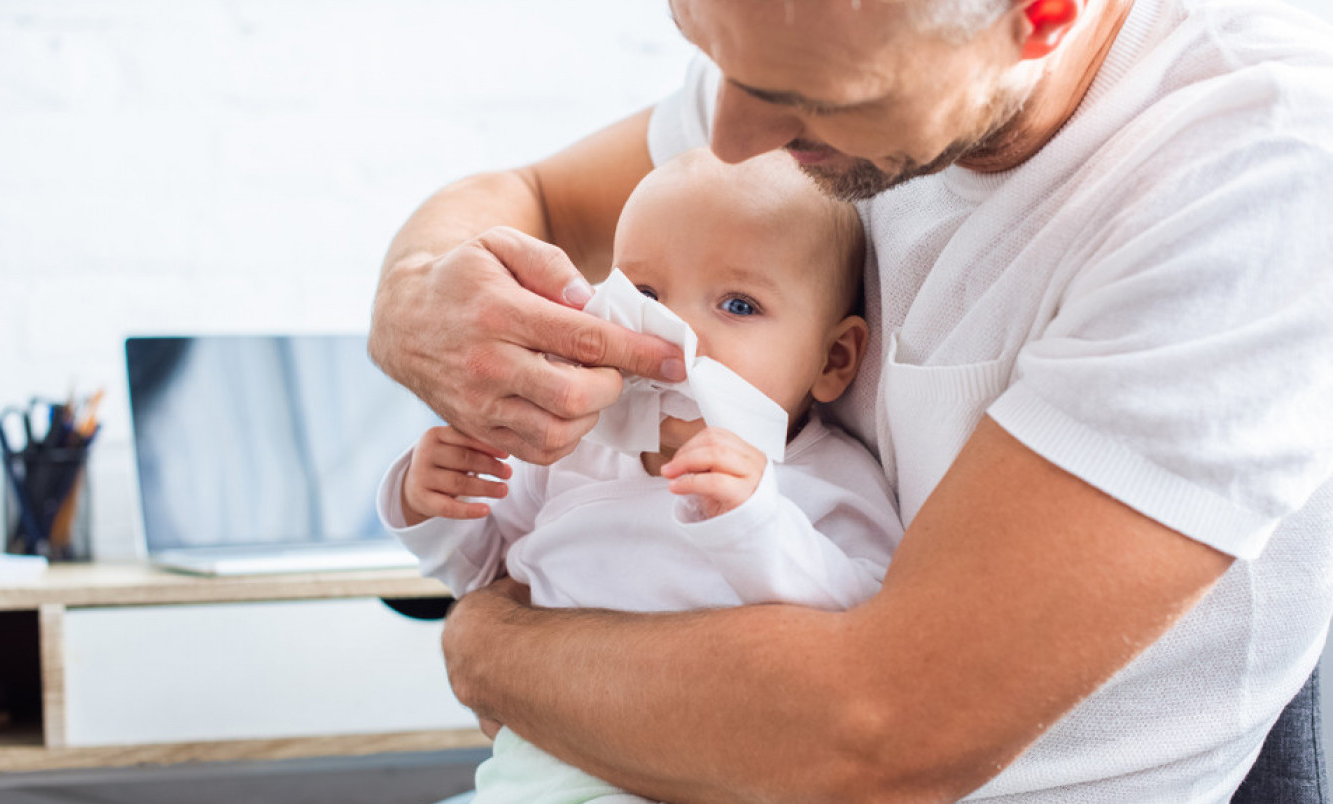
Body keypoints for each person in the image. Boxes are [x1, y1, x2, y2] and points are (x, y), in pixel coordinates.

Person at [367, 0, 1333, 800]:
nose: (736, 138)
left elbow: (872, 740)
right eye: (704, 47)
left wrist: (489, 648)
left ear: (1041, 17)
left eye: (810, 101)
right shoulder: (803, 34)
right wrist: (415, 296)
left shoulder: (1255, 175)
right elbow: (530, 193)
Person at [378, 148, 903, 803]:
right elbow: (483, 579)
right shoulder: (574, 446)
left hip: (711, 776)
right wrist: (434, 504)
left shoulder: (824, 477)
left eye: (738, 305)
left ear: (834, 358)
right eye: (646, 296)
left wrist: (756, 524)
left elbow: (866, 617)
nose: (675, 333)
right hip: (538, 770)